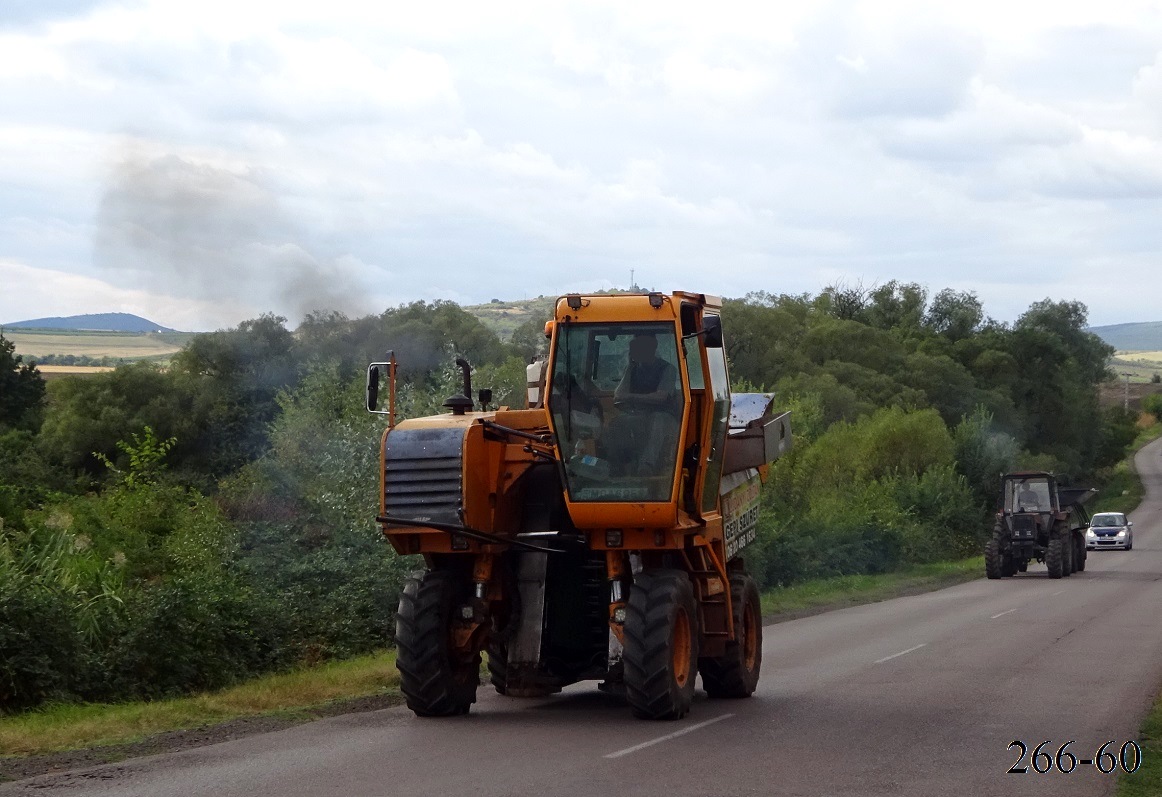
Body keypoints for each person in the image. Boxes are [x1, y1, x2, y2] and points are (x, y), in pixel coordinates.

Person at [605, 334, 680, 479]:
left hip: (667, 419)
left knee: (657, 420)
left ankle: (646, 467)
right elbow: (619, 395)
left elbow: (661, 397)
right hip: (639, 416)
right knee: (616, 423)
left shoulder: (667, 369)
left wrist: (632, 397)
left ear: (650, 349)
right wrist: (629, 369)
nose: (631, 353)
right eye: (631, 350)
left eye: (635, 349)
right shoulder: (633, 369)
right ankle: (617, 468)